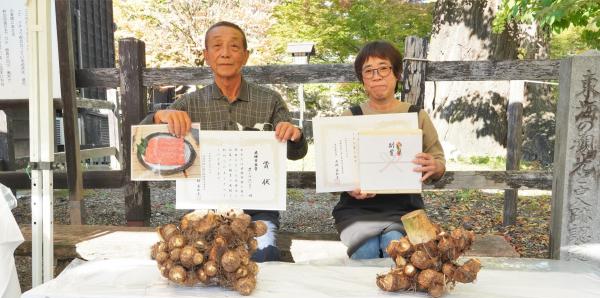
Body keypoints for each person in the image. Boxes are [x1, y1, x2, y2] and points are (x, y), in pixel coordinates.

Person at [142, 21, 307, 262]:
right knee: (196, 262)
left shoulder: (270, 101)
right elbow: (143, 149)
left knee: (263, 256)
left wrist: (294, 134)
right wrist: (158, 116)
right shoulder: (188, 104)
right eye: (217, 46)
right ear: (207, 56)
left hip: (257, 211)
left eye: (234, 47)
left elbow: (296, 153)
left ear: (245, 56)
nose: (226, 53)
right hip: (202, 210)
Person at [332, 40, 445, 260]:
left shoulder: (416, 115)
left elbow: (438, 161)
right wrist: (348, 186)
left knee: (394, 244)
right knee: (365, 250)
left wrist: (435, 166)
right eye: (368, 71)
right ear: (362, 80)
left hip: (405, 209)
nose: (377, 76)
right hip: (357, 209)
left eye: (384, 68)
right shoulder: (351, 117)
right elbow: (337, 169)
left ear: (396, 74)